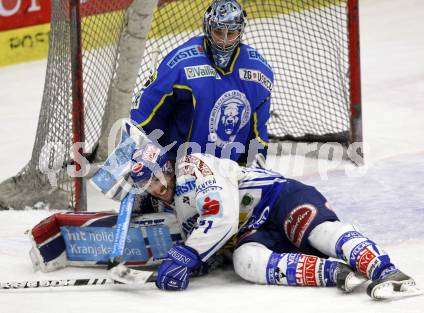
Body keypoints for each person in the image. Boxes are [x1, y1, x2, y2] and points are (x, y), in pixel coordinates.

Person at [127, 142, 420, 300]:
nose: (155, 187)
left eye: (156, 177)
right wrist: (194, 266)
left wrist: (188, 254)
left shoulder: (194, 166)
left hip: (279, 198)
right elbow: (215, 243)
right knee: (246, 263)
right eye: (147, 185)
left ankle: (387, 271)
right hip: (251, 231)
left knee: (319, 233)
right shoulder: (172, 207)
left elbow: (222, 216)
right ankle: (336, 273)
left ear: (166, 166)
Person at [130, 0, 272, 163]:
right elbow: (145, 117)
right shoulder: (180, 64)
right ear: (208, 28)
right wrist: (156, 162)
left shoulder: (259, 71)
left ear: (240, 32)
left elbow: (258, 133)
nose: (224, 42)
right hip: (178, 167)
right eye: (219, 32)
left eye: (231, 34)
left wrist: (251, 168)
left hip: (228, 171)